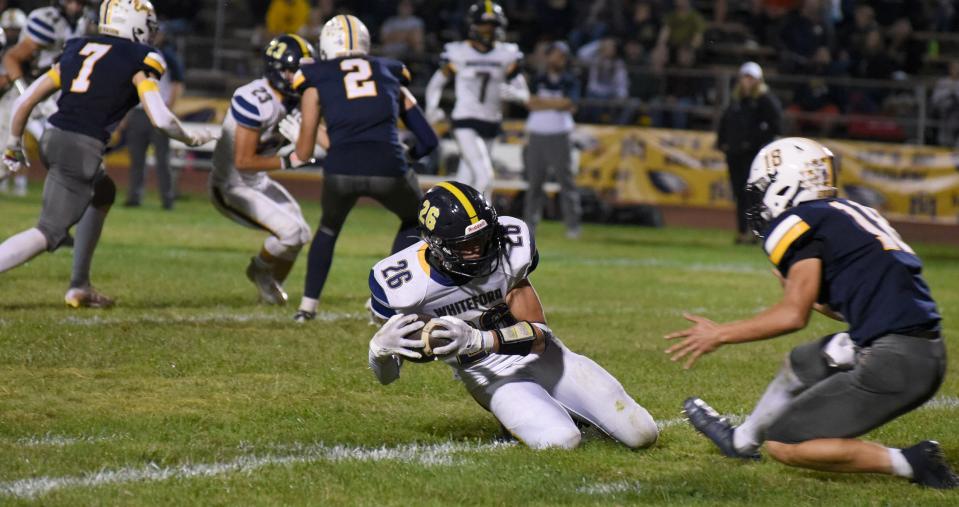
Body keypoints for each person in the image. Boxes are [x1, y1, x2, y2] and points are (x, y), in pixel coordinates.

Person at [666, 137, 958, 489]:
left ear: (787, 183)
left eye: (763, 189)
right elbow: (864, 303)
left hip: (897, 360)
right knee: (805, 361)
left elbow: (792, 316)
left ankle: (911, 462)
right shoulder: (853, 213)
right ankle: (741, 441)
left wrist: (719, 334)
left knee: (786, 444)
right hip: (922, 348)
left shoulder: (797, 221)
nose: (759, 201)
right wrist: (816, 299)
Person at [367, 181, 659, 450]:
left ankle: (570, 408)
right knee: (562, 440)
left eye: (483, 238)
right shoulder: (402, 284)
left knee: (642, 434)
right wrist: (378, 353)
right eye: (466, 245)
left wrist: (479, 339)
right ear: (437, 245)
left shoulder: (510, 247)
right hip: (490, 376)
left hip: (545, 357)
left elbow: (539, 336)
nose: (479, 250)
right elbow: (388, 378)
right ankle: (532, 416)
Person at [0, 0, 215, 308]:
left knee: (103, 193)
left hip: (53, 136)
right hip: (80, 147)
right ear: (138, 24)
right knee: (47, 232)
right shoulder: (141, 57)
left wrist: (14, 142)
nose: (152, 34)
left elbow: (27, 100)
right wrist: (191, 137)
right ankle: (75, 287)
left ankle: (80, 285)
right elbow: (162, 118)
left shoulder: (78, 47)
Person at [290, 14, 439, 322]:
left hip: (340, 168)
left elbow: (303, 151)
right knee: (414, 221)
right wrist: (405, 157)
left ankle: (307, 307)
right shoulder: (389, 71)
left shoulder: (315, 76)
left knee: (329, 228)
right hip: (389, 165)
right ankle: (384, 300)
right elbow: (428, 139)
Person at [209, 34, 315, 305]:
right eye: (294, 71)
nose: (299, 77)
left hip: (255, 180)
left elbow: (321, 138)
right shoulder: (256, 98)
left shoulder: (298, 98)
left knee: (301, 232)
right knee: (290, 233)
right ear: (278, 71)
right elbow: (242, 161)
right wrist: (289, 161)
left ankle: (269, 288)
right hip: (231, 184)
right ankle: (259, 268)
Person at [424, 1, 529, 199]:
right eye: (484, 24)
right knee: (484, 176)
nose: (488, 30)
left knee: (467, 177)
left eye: (493, 25)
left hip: (491, 121)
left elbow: (524, 93)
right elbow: (436, 83)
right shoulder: (458, 51)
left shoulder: (507, 53)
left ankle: (454, 220)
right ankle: (487, 224)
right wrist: (431, 108)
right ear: (473, 26)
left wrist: (516, 94)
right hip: (465, 119)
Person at [0, 1, 90, 197]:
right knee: (6, 161)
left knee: (64, 146)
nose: (76, 7)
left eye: (81, 2)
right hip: (27, 92)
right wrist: (27, 95)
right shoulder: (48, 20)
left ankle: (68, 198)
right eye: (73, 2)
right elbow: (11, 58)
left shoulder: (80, 23)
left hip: (50, 95)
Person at [716, 61, 781, 244]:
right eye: (744, 77)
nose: (746, 81)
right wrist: (723, 143)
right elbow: (725, 122)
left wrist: (754, 142)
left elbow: (776, 125)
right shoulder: (737, 101)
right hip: (736, 154)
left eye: (750, 77)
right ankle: (742, 231)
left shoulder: (765, 100)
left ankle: (757, 232)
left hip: (754, 155)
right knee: (740, 193)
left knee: (754, 194)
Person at [523, 41, 581, 239]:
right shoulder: (537, 78)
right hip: (537, 135)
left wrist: (543, 103)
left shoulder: (570, 79)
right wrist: (556, 104)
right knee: (535, 183)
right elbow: (530, 102)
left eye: (562, 56)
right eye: (556, 55)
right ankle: (530, 225)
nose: (559, 59)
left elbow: (570, 103)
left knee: (566, 181)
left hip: (560, 134)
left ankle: (573, 225)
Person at [123, 24, 185, 210]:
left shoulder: (168, 56)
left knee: (162, 159)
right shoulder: (137, 55)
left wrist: (166, 109)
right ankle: (134, 196)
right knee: (136, 159)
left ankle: (167, 198)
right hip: (139, 111)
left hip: (158, 110)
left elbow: (177, 84)